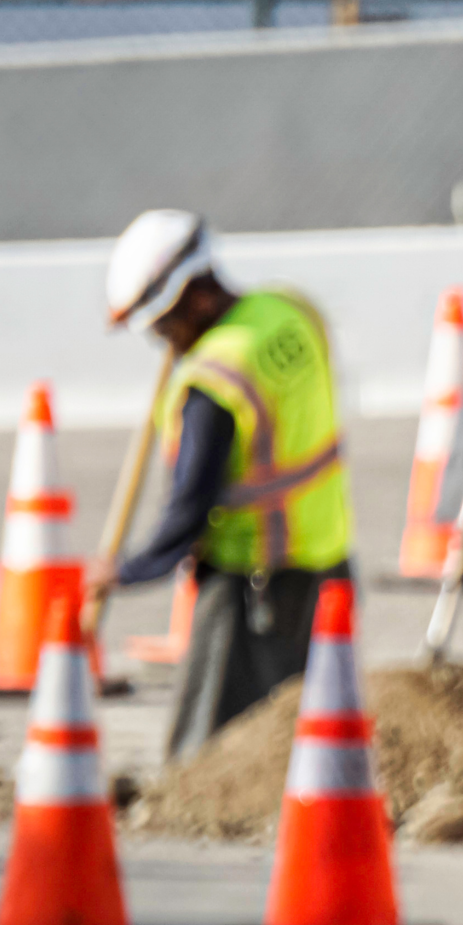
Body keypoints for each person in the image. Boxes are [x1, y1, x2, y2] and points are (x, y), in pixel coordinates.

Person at [85, 210, 354, 760]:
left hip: (253, 582)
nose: (165, 342)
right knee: (316, 736)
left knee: (207, 753)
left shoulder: (215, 379)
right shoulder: (290, 311)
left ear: (197, 299)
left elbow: (189, 508)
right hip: (329, 561)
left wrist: (127, 569)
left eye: (163, 327)